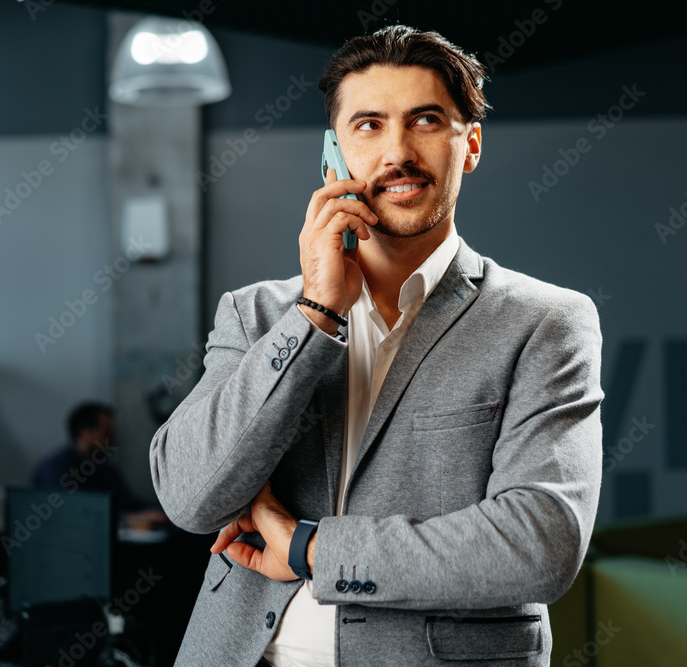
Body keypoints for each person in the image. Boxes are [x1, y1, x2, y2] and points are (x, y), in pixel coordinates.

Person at [150, 24, 603, 667]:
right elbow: (191, 497)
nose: (397, 151)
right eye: (369, 125)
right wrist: (315, 312)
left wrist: (309, 548)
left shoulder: (545, 323)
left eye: (425, 120)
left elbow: (540, 543)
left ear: (468, 145)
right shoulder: (257, 314)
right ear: (333, 154)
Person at [32, 402, 166, 525]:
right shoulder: (55, 468)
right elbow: (72, 513)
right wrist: (129, 518)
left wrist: (166, 509)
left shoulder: (105, 469)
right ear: (86, 433)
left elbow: (131, 503)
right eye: (107, 432)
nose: (113, 439)